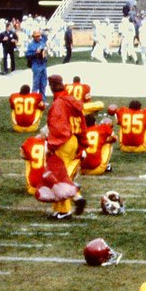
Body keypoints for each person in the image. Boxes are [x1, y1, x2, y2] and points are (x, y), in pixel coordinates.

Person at [45, 73, 86, 219]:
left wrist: (52, 144)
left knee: (58, 176)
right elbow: (82, 123)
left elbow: (58, 126)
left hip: (63, 141)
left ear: (51, 87)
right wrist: (83, 142)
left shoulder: (59, 103)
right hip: (73, 139)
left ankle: (64, 210)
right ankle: (75, 199)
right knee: (63, 175)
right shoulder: (72, 100)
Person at [26, 30, 49, 97]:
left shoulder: (42, 41)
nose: (38, 37)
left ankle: (43, 100)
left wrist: (42, 32)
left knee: (43, 83)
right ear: (33, 37)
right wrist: (35, 53)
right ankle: (34, 98)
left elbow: (45, 37)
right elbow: (28, 55)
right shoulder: (31, 45)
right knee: (36, 83)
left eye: (39, 36)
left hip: (43, 63)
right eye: (36, 36)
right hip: (36, 64)